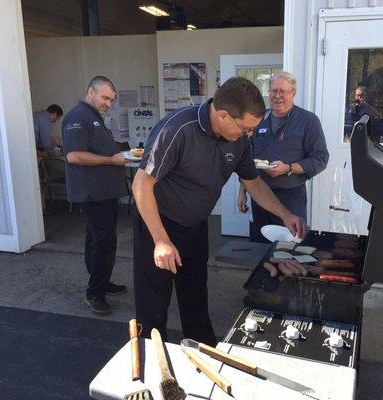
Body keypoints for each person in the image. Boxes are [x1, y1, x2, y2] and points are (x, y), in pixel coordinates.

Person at [131, 77, 307, 346]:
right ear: (223, 114)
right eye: (245, 127)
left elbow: (254, 183)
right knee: (153, 305)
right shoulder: (178, 129)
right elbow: (141, 184)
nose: (249, 134)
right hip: (159, 225)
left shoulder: (238, 141)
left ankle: (203, 356)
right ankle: (151, 363)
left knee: (195, 299)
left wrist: (285, 214)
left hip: (196, 226)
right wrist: (161, 240)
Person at [62, 76, 128, 315]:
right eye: (105, 98)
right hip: (92, 193)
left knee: (96, 240)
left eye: (111, 99)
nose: (108, 103)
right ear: (91, 92)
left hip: (105, 193)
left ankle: (101, 281)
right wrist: (111, 159)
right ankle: (95, 292)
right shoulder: (78, 117)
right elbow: (74, 156)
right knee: (104, 242)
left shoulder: (94, 117)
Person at [237, 72, 329, 242]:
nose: (277, 96)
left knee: (289, 247)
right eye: (273, 91)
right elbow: (247, 157)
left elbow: (320, 159)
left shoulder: (308, 121)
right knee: (261, 245)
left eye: (283, 91)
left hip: (291, 197)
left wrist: (288, 168)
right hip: (259, 195)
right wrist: (243, 190)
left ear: (293, 93)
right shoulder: (259, 119)